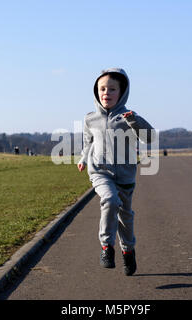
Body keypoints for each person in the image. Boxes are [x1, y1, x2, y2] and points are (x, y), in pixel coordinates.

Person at [77, 68, 155, 276]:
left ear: (122, 92)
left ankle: (128, 251)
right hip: (99, 171)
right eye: (102, 89)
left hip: (125, 175)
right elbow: (88, 141)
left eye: (112, 89)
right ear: (96, 92)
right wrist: (83, 158)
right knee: (110, 200)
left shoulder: (128, 117)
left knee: (125, 217)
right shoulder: (90, 118)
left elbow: (149, 138)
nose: (106, 93)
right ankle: (106, 247)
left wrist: (133, 121)